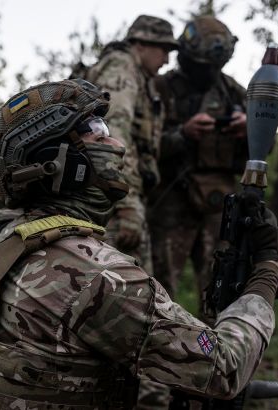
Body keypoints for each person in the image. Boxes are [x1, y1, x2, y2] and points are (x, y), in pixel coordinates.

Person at [0, 79, 278, 409]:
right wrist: (264, 273)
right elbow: (223, 368)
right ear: (59, 161)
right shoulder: (99, 276)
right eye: (98, 132)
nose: (118, 145)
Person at [150, 16, 249, 316]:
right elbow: (140, 145)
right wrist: (183, 134)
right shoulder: (159, 89)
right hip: (170, 200)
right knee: (159, 288)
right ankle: (162, 351)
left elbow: (261, 151)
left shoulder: (234, 93)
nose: (205, 72)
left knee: (221, 285)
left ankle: (216, 351)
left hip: (220, 207)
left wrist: (250, 130)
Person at [86, 15, 178, 276]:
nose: (167, 60)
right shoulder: (122, 67)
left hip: (115, 195)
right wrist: (125, 203)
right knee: (129, 285)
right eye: (163, 50)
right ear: (141, 44)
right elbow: (110, 135)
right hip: (113, 199)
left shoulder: (138, 75)